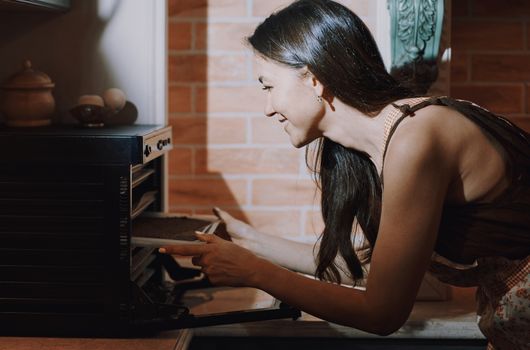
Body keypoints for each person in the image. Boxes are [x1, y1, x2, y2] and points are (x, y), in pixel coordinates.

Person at [159, 0, 530, 348]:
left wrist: (255, 272)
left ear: (313, 79)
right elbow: (360, 266)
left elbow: (383, 312)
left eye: (268, 86)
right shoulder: (382, 144)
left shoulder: (418, 137)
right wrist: (246, 240)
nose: (268, 108)